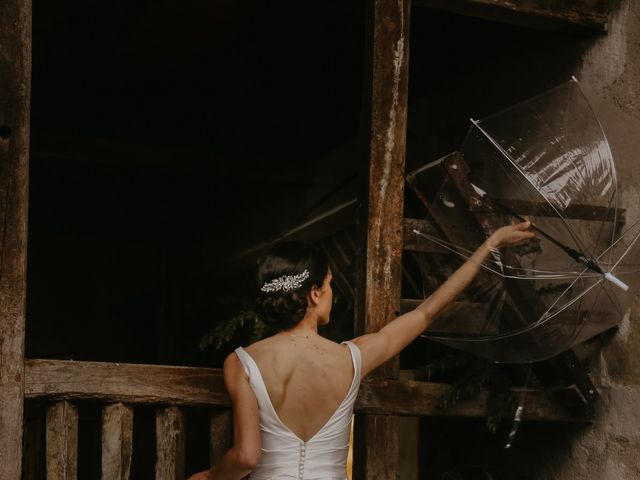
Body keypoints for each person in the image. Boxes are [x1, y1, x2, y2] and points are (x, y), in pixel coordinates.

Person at [188, 220, 534, 480]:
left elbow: (247, 457)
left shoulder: (242, 362)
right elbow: (427, 311)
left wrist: (208, 478)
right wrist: (490, 244)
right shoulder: (351, 358)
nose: (331, 293)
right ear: (313, 294)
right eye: (329, 285)